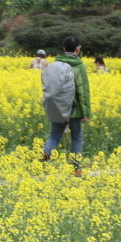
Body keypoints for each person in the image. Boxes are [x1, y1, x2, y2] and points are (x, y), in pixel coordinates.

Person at [41, 36, 91, 176]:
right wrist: (86, 113)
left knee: (55, 135)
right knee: (76, 137)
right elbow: (83, 90)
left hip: (56, 106)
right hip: (73, 108)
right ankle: (76, 168)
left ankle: (46, 152)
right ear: (78, 49)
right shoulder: (79, 66)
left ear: (63, 49)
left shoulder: (54, 65)